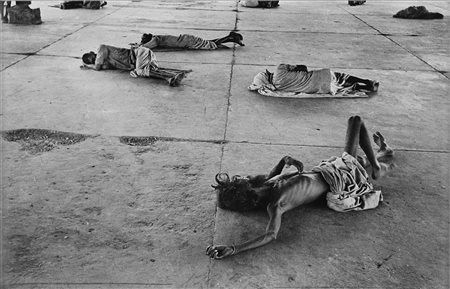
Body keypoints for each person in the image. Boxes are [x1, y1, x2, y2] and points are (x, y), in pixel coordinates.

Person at [206, 115, 394, 259]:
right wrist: (233, 248)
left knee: (358, 145)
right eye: (240, 181)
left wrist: (286, 160)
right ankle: (378, 165)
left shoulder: (264, 184)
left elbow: (274, 171)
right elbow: (270, 235)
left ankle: (382, 154)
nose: (243, 177)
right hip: (340, 180)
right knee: (356, 122)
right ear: (246, 192)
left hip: (326, 170)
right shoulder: (276, 203)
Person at [81, 44, 191, 86]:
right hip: (141, 58)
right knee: (146, 70)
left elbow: (97, 67)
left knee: (140, 71)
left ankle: (170, 77)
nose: (95, 60)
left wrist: (88, 67)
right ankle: (175, 76)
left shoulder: (101, 48)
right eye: (92, 61)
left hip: (140, 53)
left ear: (93, 53)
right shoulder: (106, 61)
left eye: (93, 58)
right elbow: (102, 67)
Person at [249, 64, 379, 97]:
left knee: (341, 86)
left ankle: (366, 88)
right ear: (267, 75)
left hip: (321, 89)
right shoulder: (280, 69)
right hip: (321, 77)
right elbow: (304, 68)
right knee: (340, 76)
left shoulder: (277, 88)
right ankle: (367, 81)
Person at [137, 31, 244, 50]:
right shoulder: (157, 38)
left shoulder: (155, 40)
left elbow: (145, 47)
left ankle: (230, 37)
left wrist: (139, 46)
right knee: (209, 42)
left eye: (143, 40)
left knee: (211, 45)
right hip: (187, 39)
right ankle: (230, 38)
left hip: (188, 41)